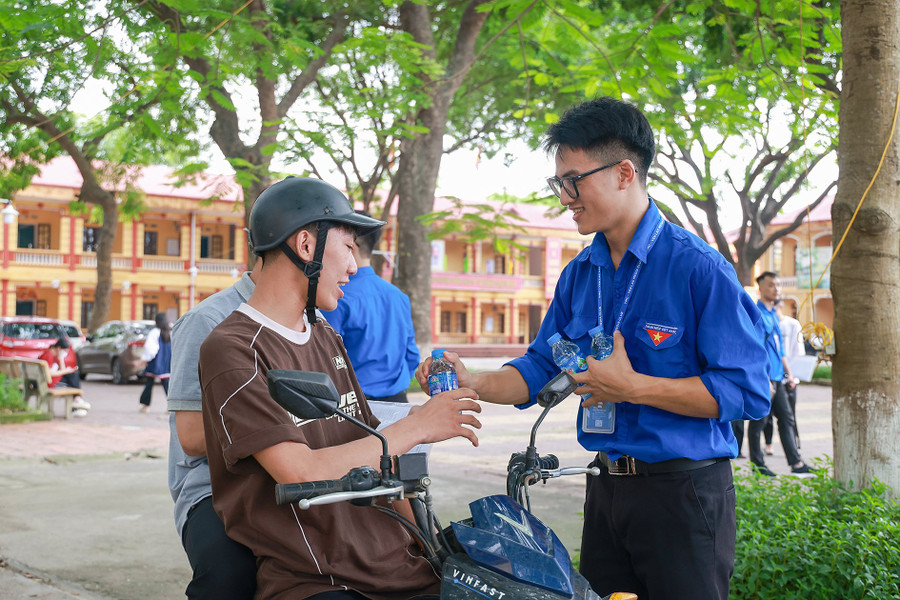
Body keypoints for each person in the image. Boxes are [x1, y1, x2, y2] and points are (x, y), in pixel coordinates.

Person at [416, 97, 770, 600]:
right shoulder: (581, 274)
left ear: (624, 172)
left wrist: (634, 388)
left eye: (573, 180)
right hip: (605, 489)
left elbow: (748, 391)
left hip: (682, 495)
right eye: (558, 182)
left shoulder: (697, 269)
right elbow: (540, 365)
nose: (565, 196)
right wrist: (474, 380)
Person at [198, 176, 482, 600]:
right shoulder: (233, 348)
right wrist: (417, 425)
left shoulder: (325, 333)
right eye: (348, 247)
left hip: (397, 563)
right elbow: (299, 470)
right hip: (323, 578)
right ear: (307, 246)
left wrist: (431, 545)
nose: (354, 266)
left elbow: (380, 456)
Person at [167, 266, 261, 600]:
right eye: (346, 248)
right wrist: (275, 437)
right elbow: (191, 437)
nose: (350, 268)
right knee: (229, 574)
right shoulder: (207, 321)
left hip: (290, 476)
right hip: (213, 487)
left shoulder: (313, 323)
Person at [321, 210, 419, 403]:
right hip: (399, 401)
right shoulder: (398, 296)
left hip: (357, 405)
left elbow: (327, 359)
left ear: (352, 247)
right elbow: (412, 355)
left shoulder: (337, 296)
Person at [745, 272, 814, 477]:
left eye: (778, 285)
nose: (776, 289)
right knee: (759, 422)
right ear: (761, 288)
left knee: (787, 419)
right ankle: (758, 465)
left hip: (778, 376)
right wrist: (763, 378)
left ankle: (796, 463)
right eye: (771, 285)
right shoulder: (756, 313)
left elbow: (779, 349)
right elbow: (755, 349)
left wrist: (789, 374)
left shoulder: (773, 313)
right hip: (764, 378)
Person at [38, 338, 90, 417]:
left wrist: (61, 359)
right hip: (47, 383)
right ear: (59, 348)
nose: (66, 353)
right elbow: (49, 373)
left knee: (73, 375)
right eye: (65, 350)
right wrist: (66, 371)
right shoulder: (49, 355)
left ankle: (77, 401)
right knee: (73, 376)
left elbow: (61, 370)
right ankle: (77, 400)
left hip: (48, 381)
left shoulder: (55, 355)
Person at [138, 312, 171, 413]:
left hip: (155, 363)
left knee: (149, 384)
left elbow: (151, 349)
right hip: (167, 363)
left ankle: (146, 406)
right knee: (167, 385)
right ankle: (171, 407)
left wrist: (145, 359)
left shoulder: (154, 332)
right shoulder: (171, 332)